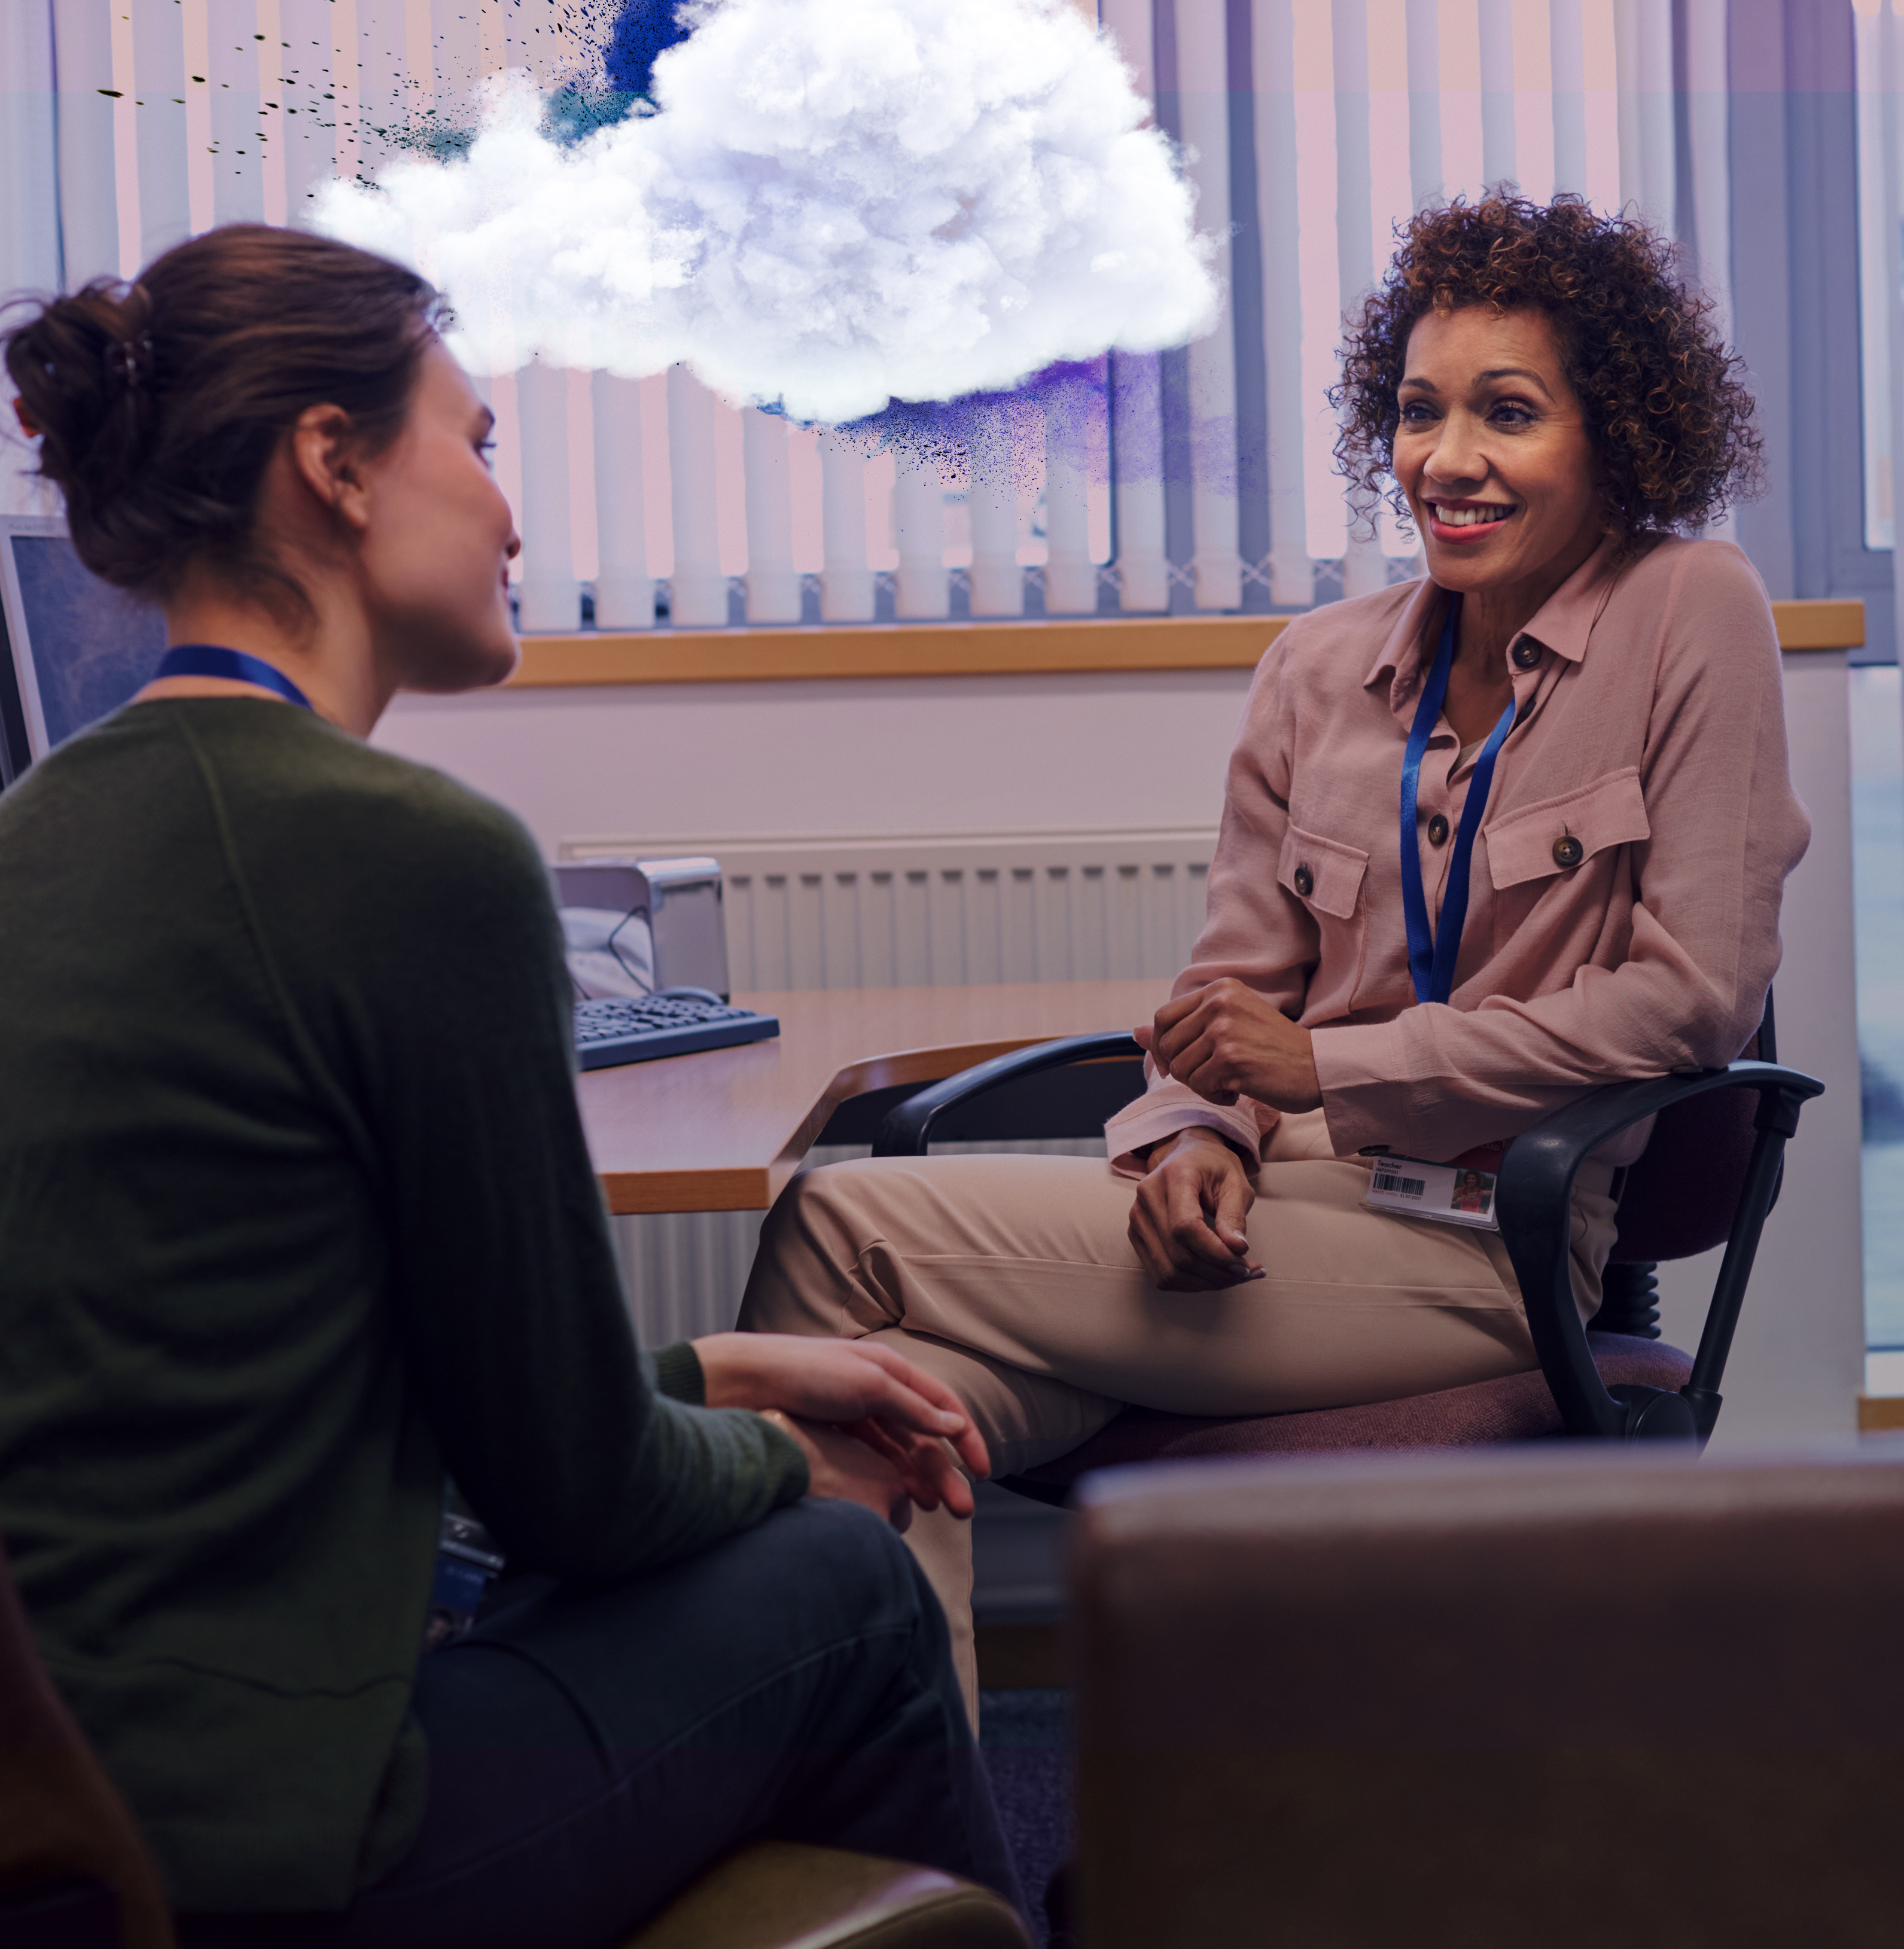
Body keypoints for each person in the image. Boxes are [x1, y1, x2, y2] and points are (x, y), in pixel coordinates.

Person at [0, 223, 1022, 1949]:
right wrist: (787, 1466)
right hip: (254, 1890)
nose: (513, 514)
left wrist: (707, 1370)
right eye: (479, 442)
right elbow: (583, 1500)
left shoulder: (22, 852)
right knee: (844, 1594)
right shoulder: (412, 858)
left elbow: (269, 1381)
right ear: (335, 461)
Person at [740, 192, 1811, 1710]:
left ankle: (870, 1849)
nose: (1447, 460)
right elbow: (1226, 995)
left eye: (1508, 413)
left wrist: (1328, 1067)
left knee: (841, 1237)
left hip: (1494, 1234)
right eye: (1419, 412)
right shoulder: (1318, 670)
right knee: (903, 1409)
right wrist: (1193, 1137)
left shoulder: (1689, 608)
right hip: (1282, 1222)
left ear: (1615, 435)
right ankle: (921, 1873)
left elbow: (1689, 1000)